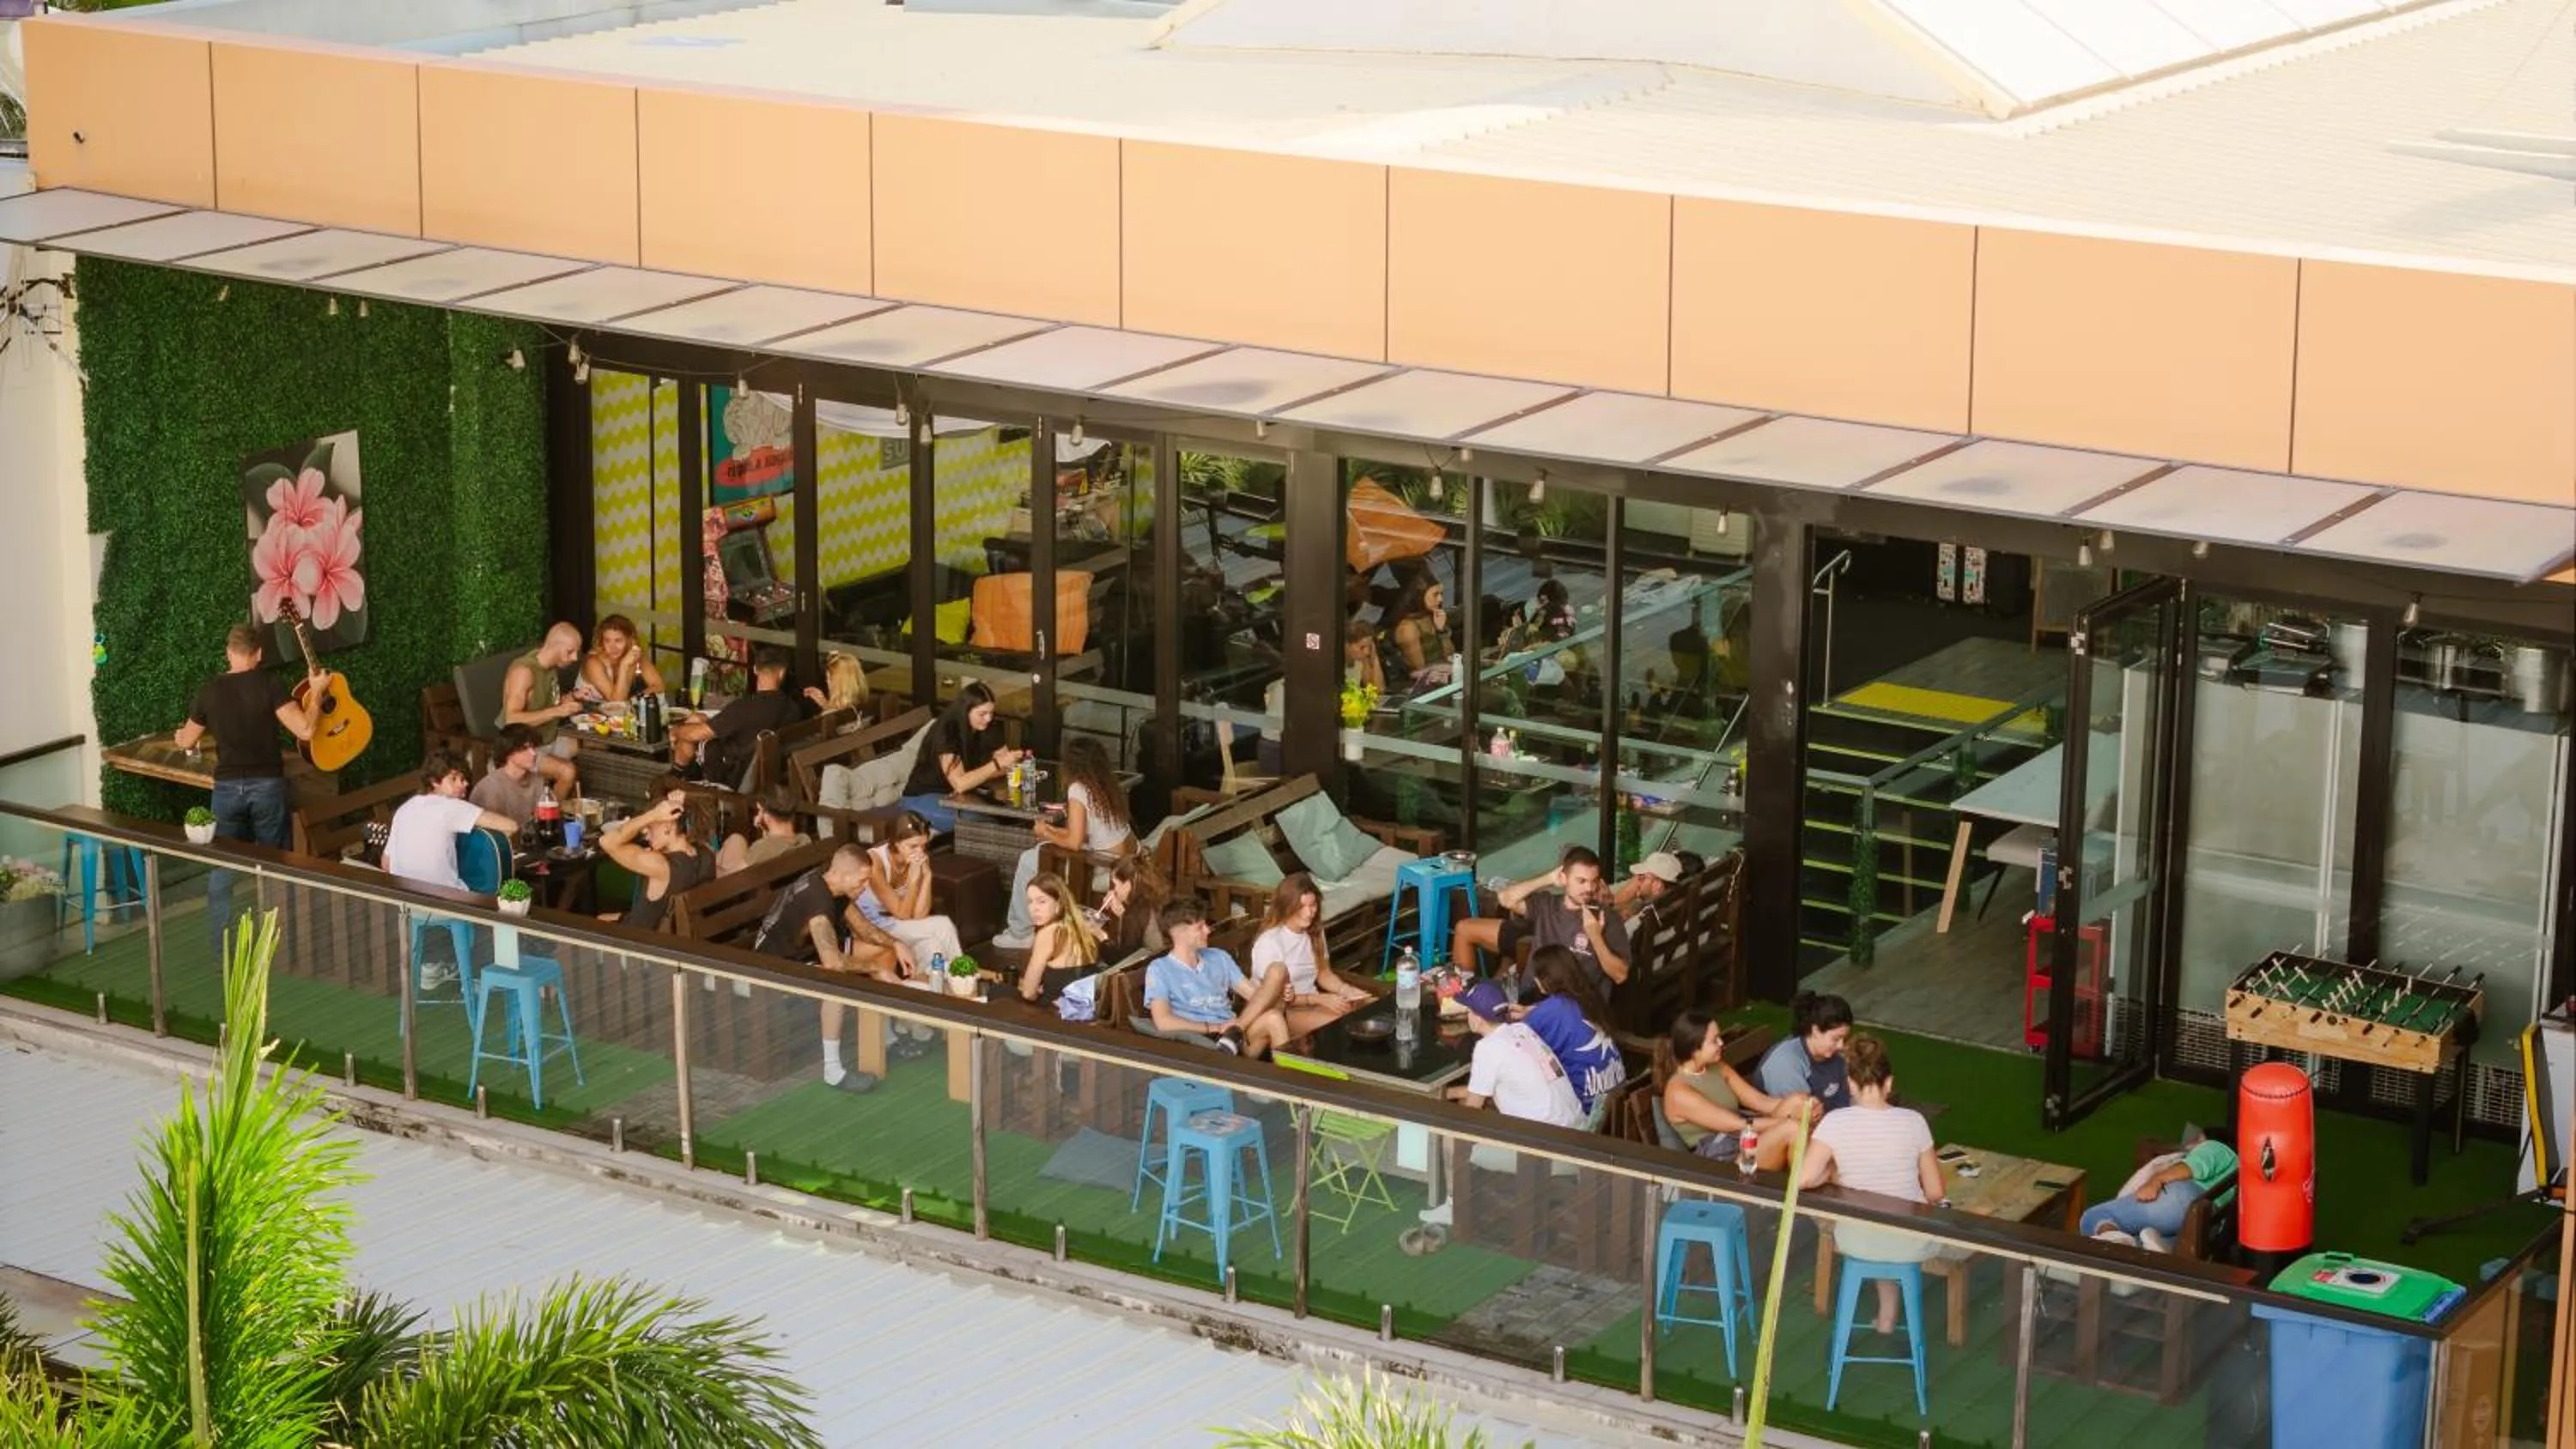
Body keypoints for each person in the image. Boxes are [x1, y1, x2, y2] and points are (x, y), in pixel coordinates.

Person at [1406, 979, 1588, 1245]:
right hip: (1576, 1134)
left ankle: (1454, 1207)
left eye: (1469, 1011)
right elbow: (1490, 1089)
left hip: (1547, 1151)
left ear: (1478, 1019)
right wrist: (1447, 1094)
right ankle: (1466, 1199)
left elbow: (1472, 1109)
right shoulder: (1523, 1031)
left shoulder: (1488, 1048)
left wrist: (1441, 1099)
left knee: (1453, 1136)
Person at [1801, 1034, 1946, 1338]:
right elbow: (1935, 1192)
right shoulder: (1914, 1121)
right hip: (1911, 1241)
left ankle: (1886, 1316)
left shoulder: (1835, 1123)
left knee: (1877, 1221)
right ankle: (1888, 1316)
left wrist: (1832, 1174)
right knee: (1894, 1218)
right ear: (1888, 1083)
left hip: (1856, 1238)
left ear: (1851, 1084)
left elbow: (1803, 1178)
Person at [173, 621, 324, 850]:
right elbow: (305, 729)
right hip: (267, 786)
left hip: (226, 787)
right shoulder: (270, 685)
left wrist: (180, 735)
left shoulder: (209, 691)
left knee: (224, 860)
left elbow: (187, 741)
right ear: (259, 653)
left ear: (228, 652)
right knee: (276, 862)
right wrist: (317, 693)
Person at [750, 843, 880, 1092]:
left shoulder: (830, 885)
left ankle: (886, 1037)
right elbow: (832, 962)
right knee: (835, 981)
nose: (865, 887)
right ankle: (832, 1070)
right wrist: (875, 969)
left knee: (878, 952)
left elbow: (864, 929)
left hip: (797, 958)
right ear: (843, 875)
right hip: (771, 968)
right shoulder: (818, 902)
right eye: (862, 881)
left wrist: (896, 945)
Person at [994, 736, 1134, 947]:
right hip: (1120, 860)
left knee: (1028, 859)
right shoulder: (1105, 783)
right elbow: (1082, 833)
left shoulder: (1079, 789)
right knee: (1039, 850)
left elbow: (1074, 843)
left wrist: (1045, 831)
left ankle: (1021, 933)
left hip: (1101, 866)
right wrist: (1049, 831)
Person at [1449, 846, 1631, 992]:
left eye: (1594, 881)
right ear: (1564, 878)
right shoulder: (1547, 904)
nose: (1589, 888)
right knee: (1476, 998)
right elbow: (1505, 899)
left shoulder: (1607, 918)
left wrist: (1595, 936)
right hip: (1529, 996)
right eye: (1581, 881)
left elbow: (1620, 975)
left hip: (1570, 1008)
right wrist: (1548, 878)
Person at [1658, 1010, 1814, 1172]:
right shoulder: (1679, 1092)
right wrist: (1793, 1121)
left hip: (1743, 1139)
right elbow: (1738, 1125)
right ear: (1694, 1050)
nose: (1721, 1043)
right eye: (1714, 1041)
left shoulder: (1717, 1068)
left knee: (1799, 1101)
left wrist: (1805, 1108)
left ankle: (1808, 1176)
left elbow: (1760, 1102)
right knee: (1793, 1129)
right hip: (1723, 1160)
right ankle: (1804, 1189)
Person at [1142, 898, 1291, 1057]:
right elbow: (1163, 1022)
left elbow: (1256, 997)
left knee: (1277, 973)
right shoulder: (1159, 969)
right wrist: (1215, 1028)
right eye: (1200, 927)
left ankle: (1290, 1080)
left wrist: (1278, 994)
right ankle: (1233, 1039)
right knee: (1274, 1015)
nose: (1208, 930)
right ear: (1180, 933)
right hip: (1204, 1040)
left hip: (1235, 1035)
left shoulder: (1218, 957)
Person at [1249, 873, 1373, 1036]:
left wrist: (1347, 990)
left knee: (1373, 1008)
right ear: (1287, 907)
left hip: (1312, 1001)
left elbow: (1323, 973)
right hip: (1283, 1011)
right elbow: (1276, 999)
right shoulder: (1270, 942)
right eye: (1301, 907)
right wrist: (1319, 999)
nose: (1309, 913)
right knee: (1345, 1026)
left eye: (1313, 905)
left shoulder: (1315, 931)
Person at [2080, 1126, 2238, 1252]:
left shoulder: (2216, 1147)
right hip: (2207, 1225)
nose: (2191, 1144)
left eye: (2197, 1139)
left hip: (2181, 1199)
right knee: (2147, 1242)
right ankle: (2149, 1245)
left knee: (2094, 1216)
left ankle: (2112, 1240)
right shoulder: (2239, 1168)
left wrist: (2156, 1181)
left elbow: (2191, 1167)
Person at [1519, 943, 1626, 1128]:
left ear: (1543, 980)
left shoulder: (1551, 1011)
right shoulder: (1591, 998)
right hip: (1616, 1106)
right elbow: (1566, 1016)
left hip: (1587, 1118)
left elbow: (1513, 1042)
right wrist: (1535, 1010)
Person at [671, 645, 808, 786]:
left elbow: (695, 734)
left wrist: (676, 730)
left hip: (732, 775)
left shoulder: (744, 707)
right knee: (697, 724)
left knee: (687, 733)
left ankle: (675, 776)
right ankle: (680, 776)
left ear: (755, 670)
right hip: (763, 770)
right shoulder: (792, 708)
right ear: (782, 673)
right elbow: (743, 722)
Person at [382, 751, 519, 894]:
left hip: (408, 904)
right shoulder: (452, 806)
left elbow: (386, 864)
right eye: (454, 779)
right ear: (434, 782)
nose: (464, 783)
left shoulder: (404, 809)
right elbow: (511, 826)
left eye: (464, 778)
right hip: (450, 903)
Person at [900, 682, 1024, 832]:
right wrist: (995, 765)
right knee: (985, 823)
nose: (988, 718)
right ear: (966, 711)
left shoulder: (987, 727)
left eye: (991, 713)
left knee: (1011, 816)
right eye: (982, 714)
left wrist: (997, 767)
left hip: (958, 797)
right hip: (922, 798)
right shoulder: (948, 732)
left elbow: (1007, 766)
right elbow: (960, 784)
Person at [855, 811, 966, 973]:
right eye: (913, 846)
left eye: (923, 845)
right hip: (875, 926)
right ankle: (962, 976)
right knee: (943, 925)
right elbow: (903, 914)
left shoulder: (914, 860)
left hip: (898, 923)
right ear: (896, 843)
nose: (920, 852)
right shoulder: (876, 861)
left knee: (932, 946)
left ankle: (929, 988)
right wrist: (914, 880)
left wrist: (927, 877)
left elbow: (920, 915)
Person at [598, 792, 712, 932]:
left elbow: (607, 841)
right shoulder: (706, 853)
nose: (645, 831)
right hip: (673, 935)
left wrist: (651, 815)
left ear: (668, 825)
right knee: (602, 918)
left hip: (641, 941)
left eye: (651, 825)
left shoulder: (660, 865)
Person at [497, 621, 585, 796]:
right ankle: (547, 818)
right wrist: (557, 712)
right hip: (522, 747)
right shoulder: (524, 672)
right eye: (570, 651)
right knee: (567, 772)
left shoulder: (550, 666)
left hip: (548, 738)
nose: (575, 658)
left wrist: (572, 698)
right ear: (554, 646)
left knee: (597, 745)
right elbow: (511, 718)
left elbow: (545, 703)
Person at [1758, 991, 1855, 1115]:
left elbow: (1844, 1100)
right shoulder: (1785, 1064)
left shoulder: (1834, 1057)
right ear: (1815, 1030)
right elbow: (1802, 1117)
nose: (1841, 1046)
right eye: (1835, 1039)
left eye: (1844, 1039)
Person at [1015, 872, 1100, 1005]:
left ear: (1058, 904)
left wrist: (1033, 990)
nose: (1034, 909)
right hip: (1081, 1008)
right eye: (1030, 902)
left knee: (997, 991)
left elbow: (1028, 993)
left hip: (1054, 1013)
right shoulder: (1082, 927)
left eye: (1042, 901)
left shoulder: (1049, 933)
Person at [717, 788, 812, 875]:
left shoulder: (763, 849)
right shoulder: (804, 839)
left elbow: (729, 879)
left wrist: (715, 868)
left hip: (734, 886)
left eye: (759, 811)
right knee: (736, 840)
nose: (757, 817)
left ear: (767, 816)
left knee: (733, 843)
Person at [577, 613, 667, 704]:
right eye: (607, 641)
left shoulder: (634, 655)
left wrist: (635, 699)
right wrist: (624, 665)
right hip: (585, 711)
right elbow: (616, 701)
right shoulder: (593, 662)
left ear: (630, 640)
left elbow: (659, 686)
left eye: (618, 641)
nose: (612, 647)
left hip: (616, 713)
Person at [469, 724, 548, 825]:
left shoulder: (538, 781)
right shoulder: (492, 788)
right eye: (525, 749)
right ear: (509, 753)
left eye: (533, 747)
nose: (534, 753)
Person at [1091, 854, 1166, 956]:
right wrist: (1121, 916)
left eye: (1115, 884)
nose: (1113, 890)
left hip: (1147, 967)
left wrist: (1102, 938)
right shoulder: (1148, 900)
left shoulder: (1138, 911)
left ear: (1128, 884)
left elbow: (1122, 959)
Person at [1385, 575, 1452, 680]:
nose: (1440, 599)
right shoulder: (1408, 628)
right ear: (1420, 596)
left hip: (1445, 672)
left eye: (1441, 594)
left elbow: (1450, 655)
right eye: (1435, 595)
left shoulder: (1433, 617)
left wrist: (1442, 631)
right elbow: (1419, 669)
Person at [1613, 851, 1684, 921]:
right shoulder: (1661, 914)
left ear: (1657, 886)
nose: (1637, 880)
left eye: (1642, 877)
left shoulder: (1644, 920)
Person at [802, 650, 868, 723]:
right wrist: (826, 704)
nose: (827, 682)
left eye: (828, 679)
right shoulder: (863, 707)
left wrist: (826, 711)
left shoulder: (830, 718)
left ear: (837, 684)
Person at [1344, 619, 1387, 697]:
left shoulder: (1362, 660)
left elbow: (1378, 691)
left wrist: (1375, 659)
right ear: (1348, 645)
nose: (1367, 652)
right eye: (1362, 647)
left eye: (1369, 646)